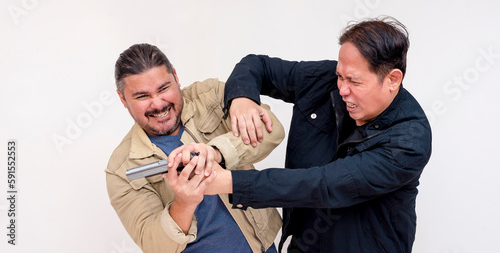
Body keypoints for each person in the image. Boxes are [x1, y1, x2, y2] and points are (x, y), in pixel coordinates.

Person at [185, 17, 432, 252]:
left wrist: (227, 181)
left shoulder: (409, 140)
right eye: (340, 76)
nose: (342, 89)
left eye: (354, 82)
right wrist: (242, 98)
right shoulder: (323, 80)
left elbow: (325, 184)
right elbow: (257, 65)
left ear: (393, 79)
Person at [105, 43, 285, 253]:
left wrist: (216, 153)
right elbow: (154, 245)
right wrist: (184, 203)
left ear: (176, 77)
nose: (158, 104)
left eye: (164, 89)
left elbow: (272, 130)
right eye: (142, 96)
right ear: (122, 99)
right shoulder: (121, 169)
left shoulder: (211, 96)